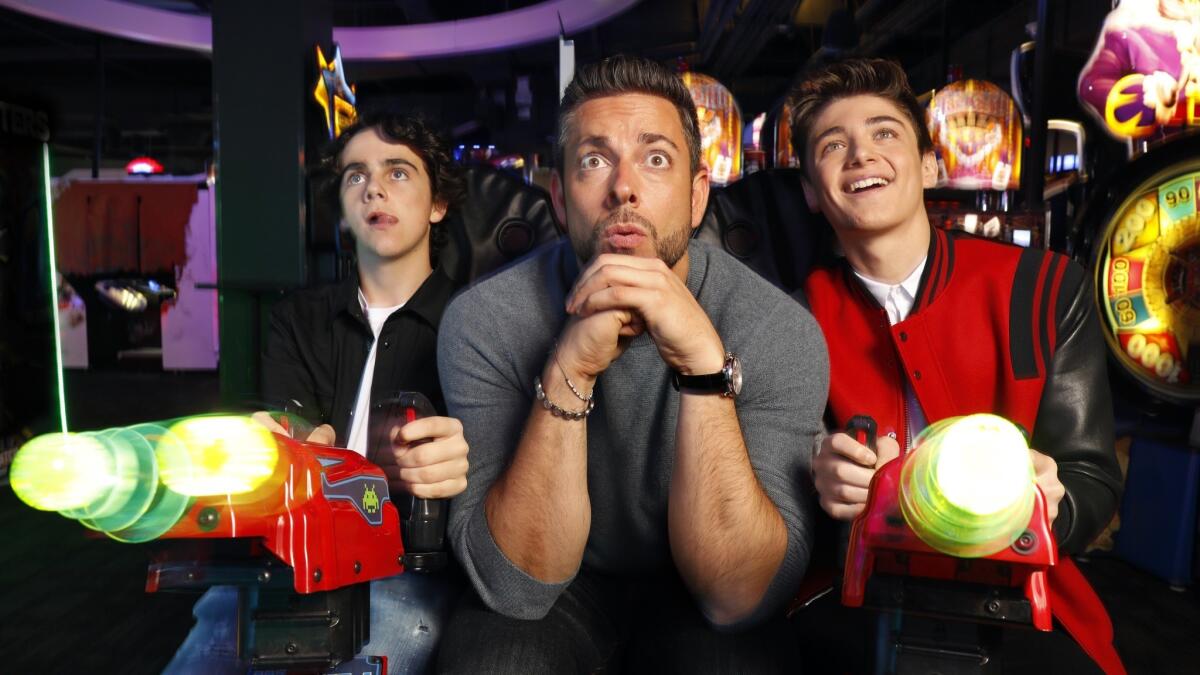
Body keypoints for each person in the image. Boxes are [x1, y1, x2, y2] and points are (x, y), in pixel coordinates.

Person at [432, 54, 828, 674]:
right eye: (594, 161)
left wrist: (703, 368)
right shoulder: (485, 320)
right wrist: (569, 365)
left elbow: (738, 597)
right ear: (560, 199)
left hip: (697, 585)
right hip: (563, 586)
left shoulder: (779, 328)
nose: (623, 186)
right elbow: (516, 587)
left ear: (698, 196)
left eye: (656, 158)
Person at [787, 58, 1125, 673]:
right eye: (834, 145)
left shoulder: (1042, 288)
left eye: (885, 133)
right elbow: (771, 490)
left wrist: (1055, 504)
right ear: (811, 189)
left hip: (1020, 590)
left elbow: (1092, 476)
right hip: (852, 587)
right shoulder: (789, 315)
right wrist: (817, 479)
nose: (861, 155)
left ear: (930, 165)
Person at [165, 112, 470, 675]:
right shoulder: (297, 320)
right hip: (290, 561)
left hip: (410, 572)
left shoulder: (475, 321)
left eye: (398, 172)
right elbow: (293, 429)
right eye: (356, 176)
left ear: (437, 205)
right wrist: (277, 443)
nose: (373, 187)